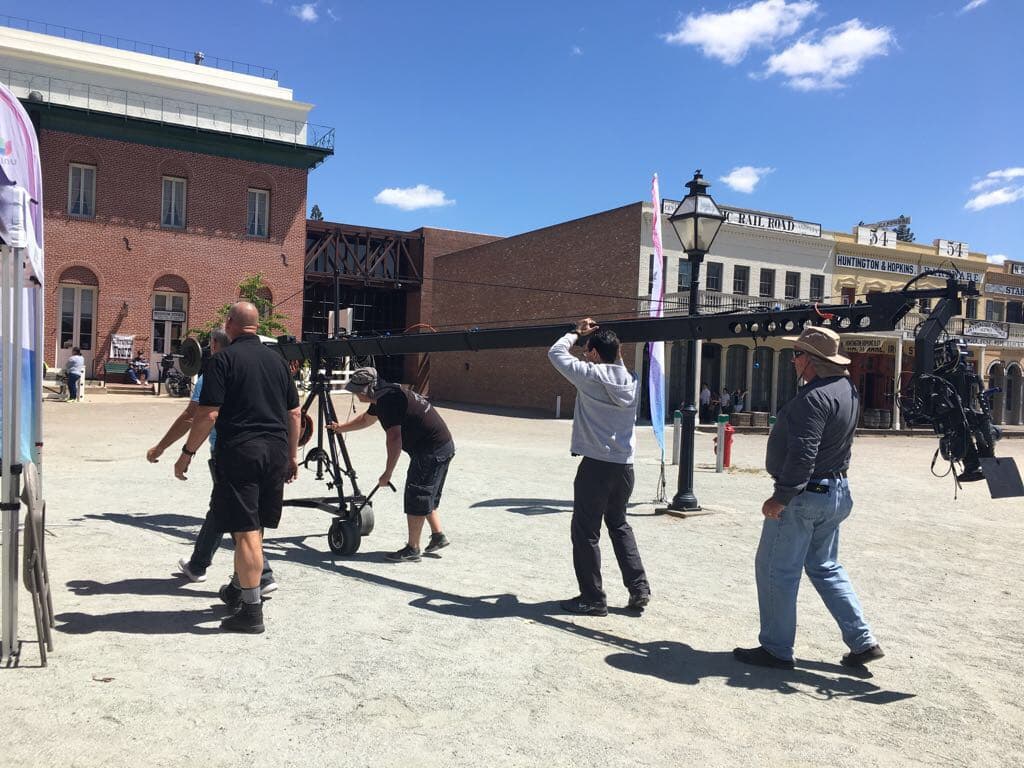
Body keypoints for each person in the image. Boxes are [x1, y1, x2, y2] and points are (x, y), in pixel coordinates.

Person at [734, 326, 883, 669]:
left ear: (812, 360)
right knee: (825, 567)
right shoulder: (847, 389)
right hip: (836, 491)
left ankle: (776, 648)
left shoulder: (812, 398)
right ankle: (863, 640)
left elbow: (804, 454)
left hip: (805, 495)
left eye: (797, 354)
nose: (794, 360)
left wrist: (781, 496)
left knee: (776, 570)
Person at [173, 302, 300, 634]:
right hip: (275, 452)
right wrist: (292, 457)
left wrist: (187, 452)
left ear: (229, 323)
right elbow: (295, 413)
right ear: (257, 326)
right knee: (254, 528)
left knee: (244, 532)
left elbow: (208, 414)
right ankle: (238, 587)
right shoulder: (278, 361)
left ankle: (251, 612)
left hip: (241, 452)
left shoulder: (222, 360)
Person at [146, 328, 276, 592]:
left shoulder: (216, 371)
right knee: (223, 508)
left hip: (229, 452)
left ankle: (262, 575)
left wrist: (165, 448)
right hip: (265, 450)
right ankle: (198, 564)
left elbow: (193, 416)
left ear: (215, 344)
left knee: (239, 514)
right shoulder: (260, 368)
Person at [548, 317, 651, 616]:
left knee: (585, 531)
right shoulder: (632, 379)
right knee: (619, 525)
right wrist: (611, 347)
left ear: (593, 353)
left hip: (596, 466)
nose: (584, 355)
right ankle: (639, 588)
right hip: (624, 466)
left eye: (586, 351)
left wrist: (575, 332)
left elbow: (555, 353)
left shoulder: (590, 375)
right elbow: (614, 361)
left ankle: (592, 598)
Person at [328, 367, 454, 562]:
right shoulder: (385, 393)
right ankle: (438, 536)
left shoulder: (388, 401)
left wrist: (387, 473)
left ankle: (412, 549)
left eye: (358, 391)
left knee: (417, 494)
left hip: (431, 451)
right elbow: (366, 419)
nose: (356, 395)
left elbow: (394, 439)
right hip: (443, 446)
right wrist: (340, 428)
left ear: (369, 389)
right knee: (425, 494)